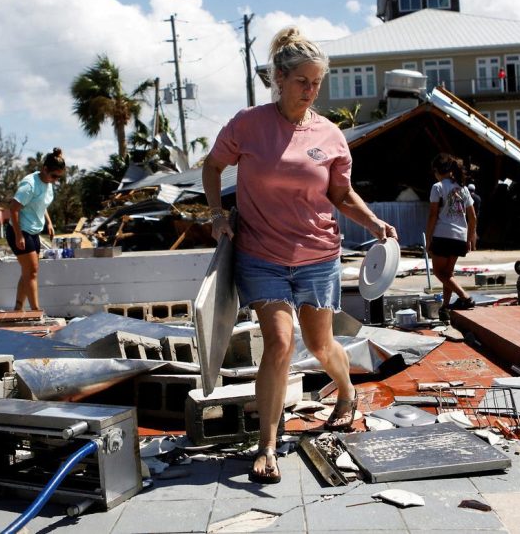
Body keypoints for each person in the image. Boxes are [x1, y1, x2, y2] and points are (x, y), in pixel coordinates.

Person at [202, 27, 397, 485]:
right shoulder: (248, 124)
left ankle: (346, 393)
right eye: (302, 82)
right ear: (280, 79)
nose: (310, 91)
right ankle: (267, 447)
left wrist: (373, 224)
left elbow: (342, 194)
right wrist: (216, 213)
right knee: (279, 342)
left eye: (316, 83)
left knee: (320, 345)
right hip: (261, 255)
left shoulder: (329, 135)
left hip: (317, 255)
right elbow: (212, 166)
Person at [7, 148, 66, 313]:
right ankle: (35, 311)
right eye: (53, 176)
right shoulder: (30, 184)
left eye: (58, 178)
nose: (55, 180)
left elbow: (41, 204)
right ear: (44, 169)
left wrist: (49, 222)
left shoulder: (47, 183)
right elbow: (13, 208)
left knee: (28, 271)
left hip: (33, 231)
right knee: (32, 271)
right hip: (20, 230)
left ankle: (18, 308)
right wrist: (19, 235)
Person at [426, 153, 477, 322]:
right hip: (459, 237)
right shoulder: (463, 188)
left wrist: (428, 238)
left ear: (437, 171)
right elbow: (473, 217)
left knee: (439, 272)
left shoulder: (437, 187)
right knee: (448, 273)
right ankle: (445, 307)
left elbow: (433, 215)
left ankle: (464, 296)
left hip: (442, 235)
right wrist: (470, 237)